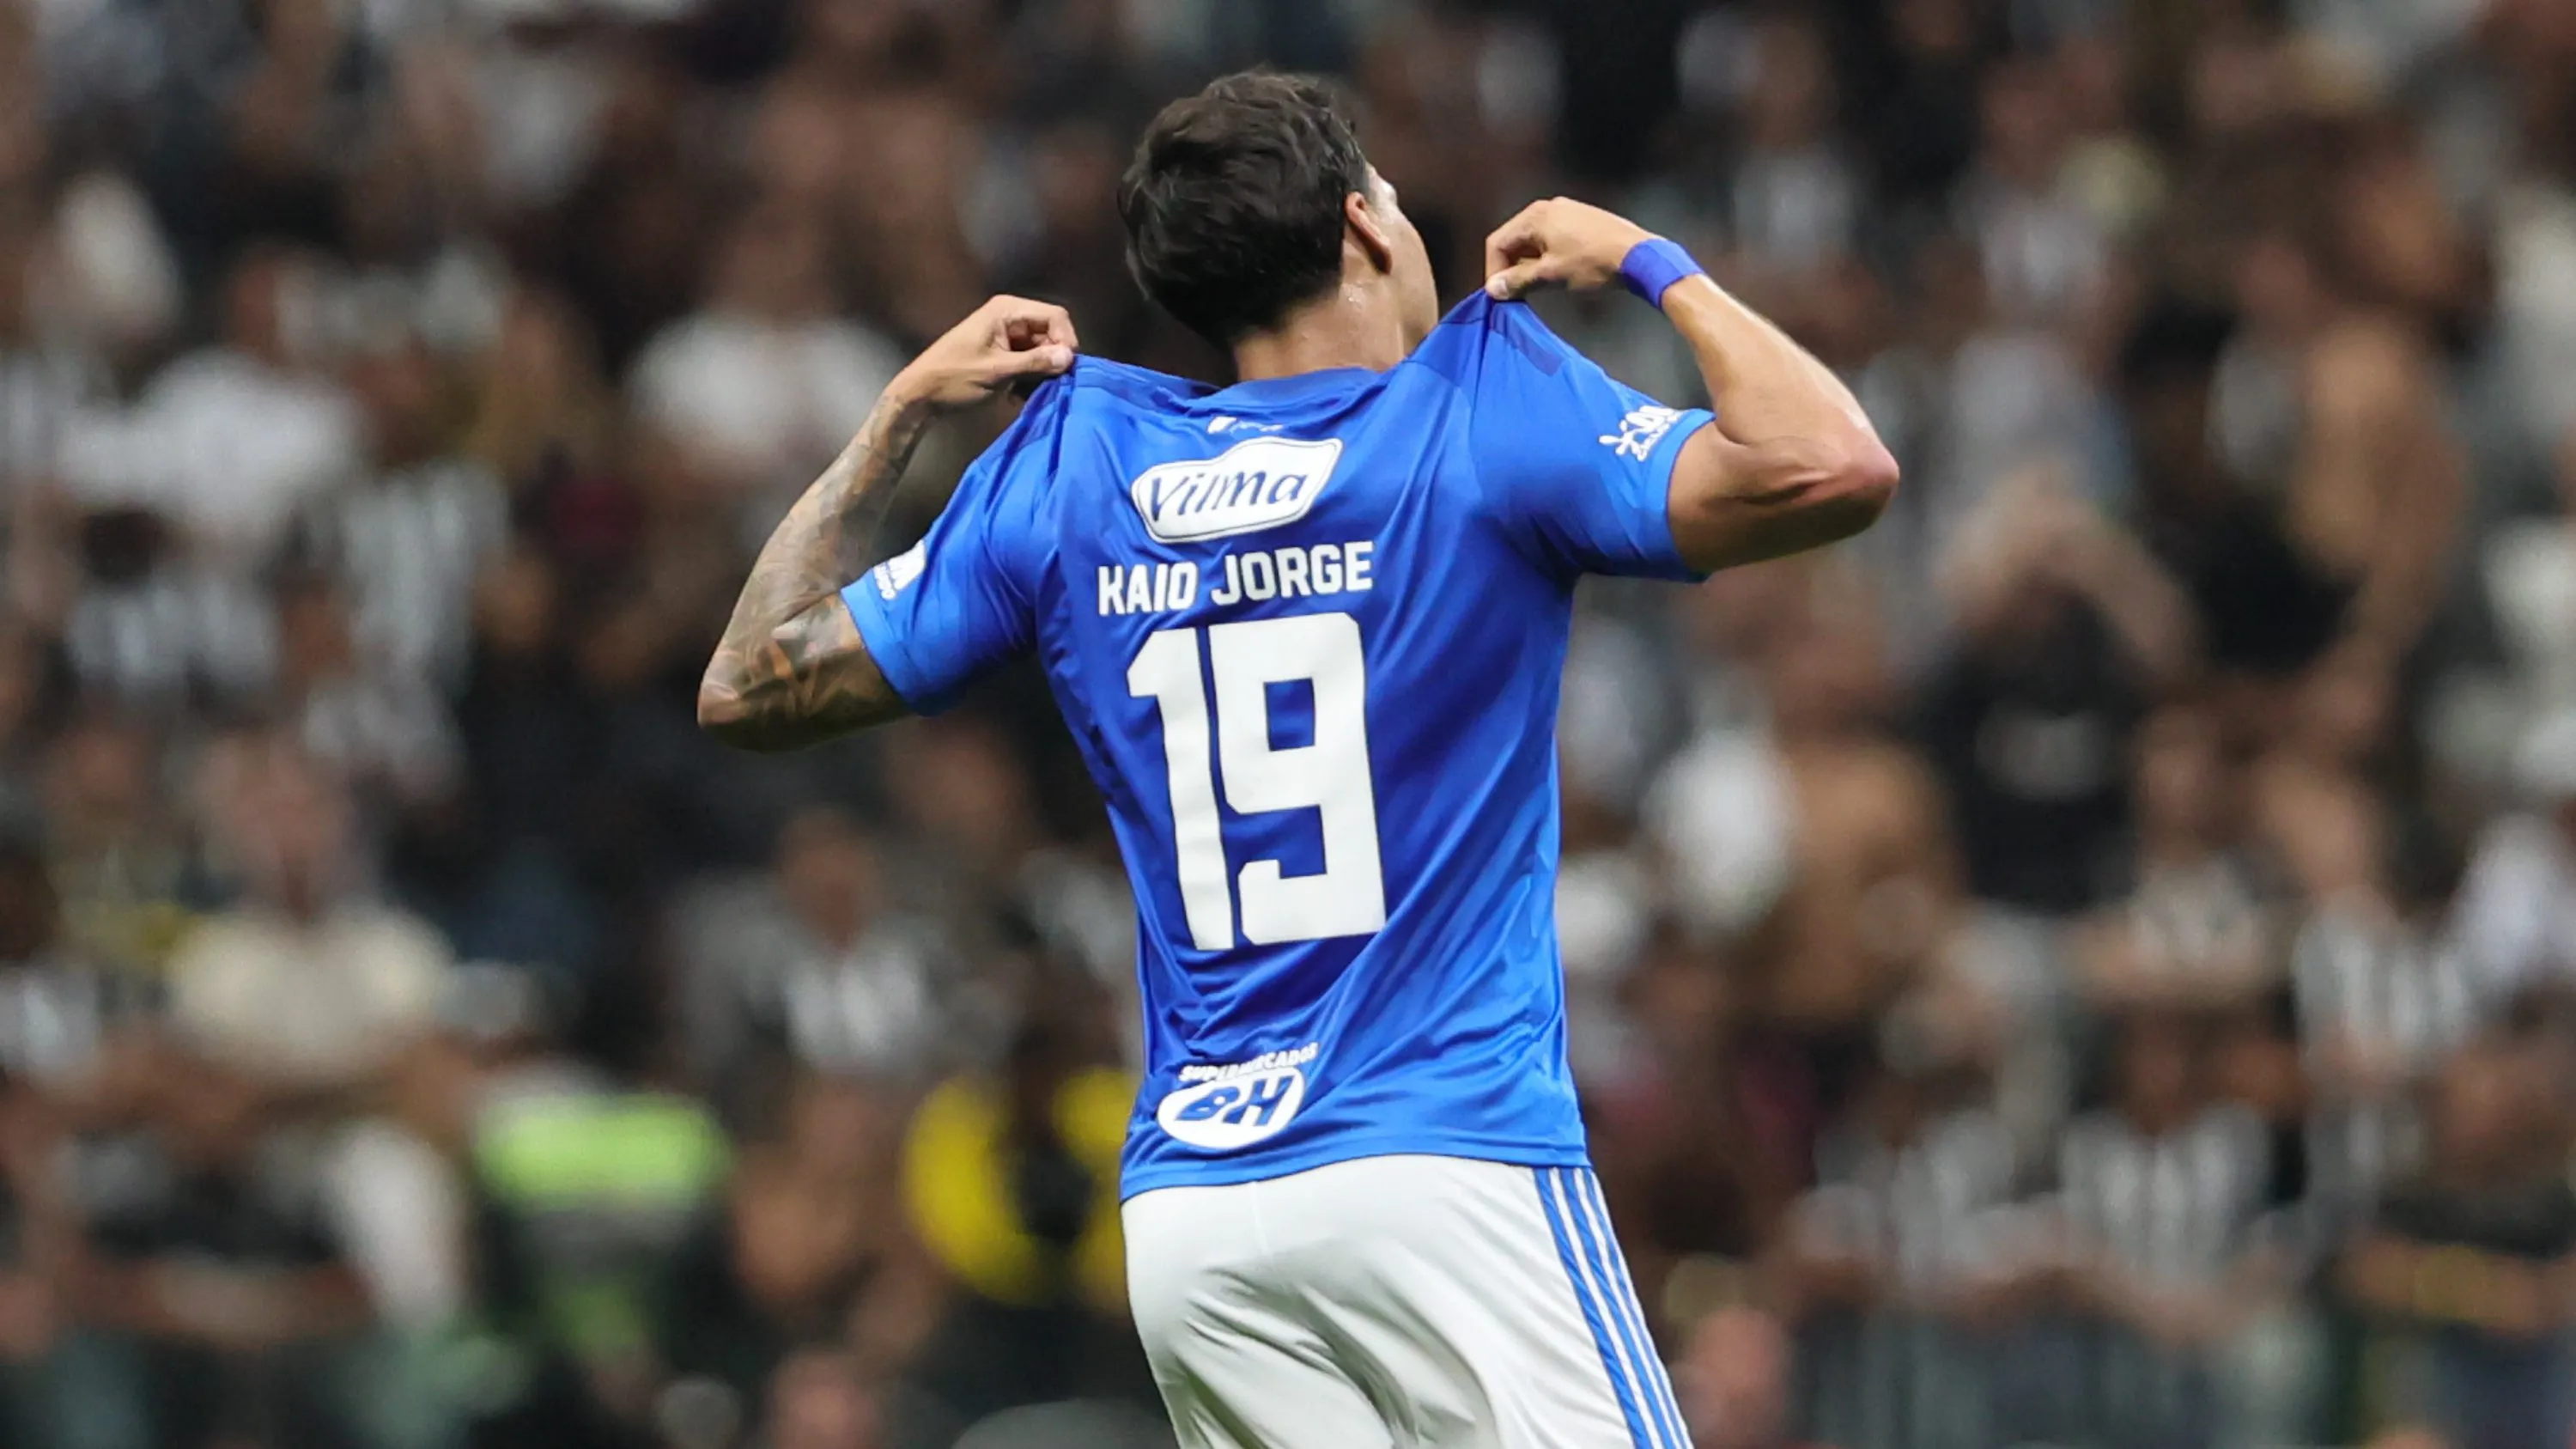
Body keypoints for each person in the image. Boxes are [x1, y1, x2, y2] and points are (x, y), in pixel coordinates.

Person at [698, 70, 1896, 1449]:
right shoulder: (1473, 403)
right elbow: (1833, 463)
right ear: (1364, 226)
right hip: (1443, 1155)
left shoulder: (1081, 460)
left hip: (1200, 1218)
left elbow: (749, 678)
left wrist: (904, 404)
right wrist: (1642, 257)